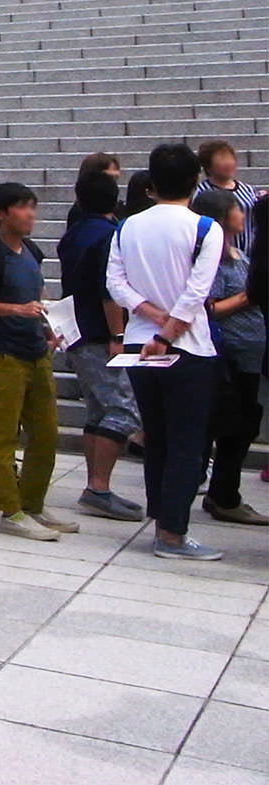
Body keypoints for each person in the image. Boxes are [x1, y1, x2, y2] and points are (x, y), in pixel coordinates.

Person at [109, 143, 229, 560]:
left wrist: (152, 318)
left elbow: (116, 284)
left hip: (140, 343)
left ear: (152, 183)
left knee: (157, 436)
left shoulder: (127, 227)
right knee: (186, 442)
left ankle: (163, 518)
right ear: (196, 181)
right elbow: (198, 289)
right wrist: (172, 328)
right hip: (188, 347)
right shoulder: (204, 228)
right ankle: (172, 533)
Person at [0, 182, 72, 541]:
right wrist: (15, 309)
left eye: (32, 207)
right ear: (0, 213)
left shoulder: (31, 252)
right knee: (3, 436)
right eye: (23, 207)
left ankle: (34, 504)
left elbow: (36, 297)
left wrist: (48, 329)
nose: (30, 215)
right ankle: (10, 511)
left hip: (36, 351)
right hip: (3, 354)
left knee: (45, 433)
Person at [57, 171, 145, 521]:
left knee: (98, 409)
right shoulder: (110, 236)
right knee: (123, 410)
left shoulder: (73, 234)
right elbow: (109, 289)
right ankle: (99, 487)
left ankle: (96, 485)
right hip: (99, 332)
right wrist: (118, 335)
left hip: (76, 328)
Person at [189, 189, 266, 527]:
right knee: (232, 426)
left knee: (244, 425)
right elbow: (209, 309)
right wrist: (250, 296)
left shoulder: (240, 254)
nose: (241, 212)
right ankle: (222, 495)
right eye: (235, 207)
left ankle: (224, 492)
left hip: (250, 353)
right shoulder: (213, 260)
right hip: (229, 354)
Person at [197, 140, 260, 258]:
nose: (228, 163)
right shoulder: (202, 192)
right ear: (208, 167)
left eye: (230, 158)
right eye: (221, 159)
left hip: (250, 252)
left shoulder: (248, 190)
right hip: (220, 255)